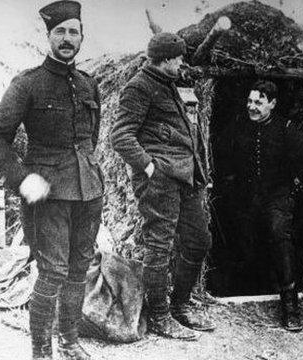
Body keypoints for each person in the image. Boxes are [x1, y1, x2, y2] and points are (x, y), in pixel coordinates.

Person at [0, 1, 103, 359]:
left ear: (82, 37)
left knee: (79, 269)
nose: (67, 39)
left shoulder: (89, 84)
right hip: (47, 195)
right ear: (49, 36)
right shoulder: (27, 84)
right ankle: (41, 351)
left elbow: (90, 138)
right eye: (60, 32)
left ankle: (69, 341)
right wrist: (23, 178)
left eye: (73, 32)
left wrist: (89, 173)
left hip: (88, 192)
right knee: (52, 272)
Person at [111, 32, 214, 341]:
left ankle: (180, 306)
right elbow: (120, 136)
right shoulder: (139, 87)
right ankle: (159, 316)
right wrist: (150, 167)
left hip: (185, 178)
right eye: (179, 58)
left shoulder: (167, 83)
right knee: (159, 245)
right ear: (166, 59)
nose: (182, 62)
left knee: (198, 241)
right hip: (161, 180)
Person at [224, 80, 303, 331]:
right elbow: (225, 154)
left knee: (280, 238)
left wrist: (297, 187)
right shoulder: (239, 127)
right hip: (247, 196)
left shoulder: (286, 130)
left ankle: (290, 306)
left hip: (277, 196)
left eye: (258, 102)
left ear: (273, 104)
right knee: (243, 238)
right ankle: (242, 289)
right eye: (249, 101)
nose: (252, 107)